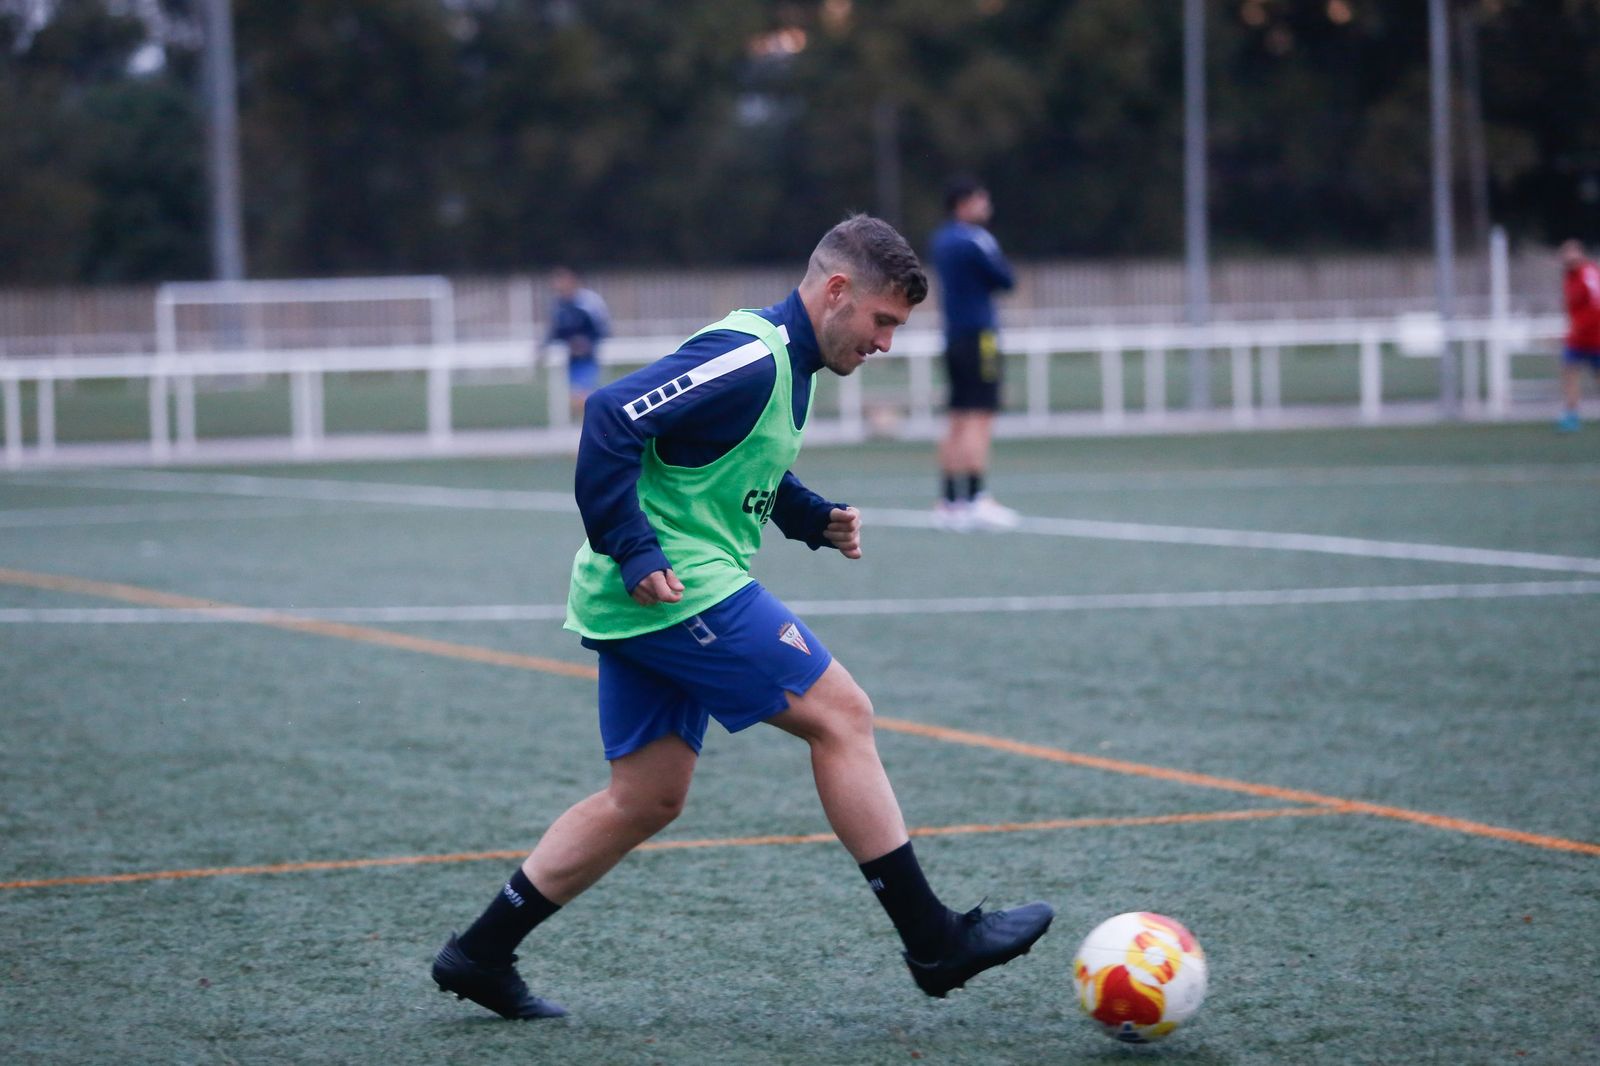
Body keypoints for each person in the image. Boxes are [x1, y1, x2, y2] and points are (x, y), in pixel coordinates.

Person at [431, 215, 1053, 1019]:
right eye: (882, 322)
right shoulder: (751, 354)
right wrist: (636, 549)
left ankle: (478, 955)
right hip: (673, 587)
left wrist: (806, 517)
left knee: (645, 798)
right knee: (843, 716)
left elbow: (720, 456)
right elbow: (614, 418)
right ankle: (935, 940)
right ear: (836, 292)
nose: (887, 344)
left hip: (654, 593)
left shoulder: (793, 363)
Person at [929, 177, 1021, 532]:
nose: (987, 207)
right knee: (978, 417)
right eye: (982, 200)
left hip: (952, 337)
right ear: (963, 204)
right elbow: (1006, 279)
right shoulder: (974, 239)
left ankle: (949, 500)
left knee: (956, 417)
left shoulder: (941, 240)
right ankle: (976, 497)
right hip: (980, 336)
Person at [547, 266, 611, 418]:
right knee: (576, 401)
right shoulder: (559, 305)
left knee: (585, 398)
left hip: (590, 358)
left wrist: (586, 343)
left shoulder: (588, 302)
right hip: (571, 359)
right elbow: (556, 331)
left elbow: (602, 329)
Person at [1557, 239, 1600, 432]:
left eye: (1572, 254)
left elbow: (1596, 304)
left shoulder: (1588, 274)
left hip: (1595, 336)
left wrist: (1580, 326)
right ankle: (1572, 416)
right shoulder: (1569, 277)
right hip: (1577, 339)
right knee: (1569, 371)